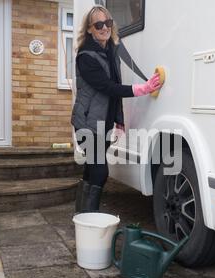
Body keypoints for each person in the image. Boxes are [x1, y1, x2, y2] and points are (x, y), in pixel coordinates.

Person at [71, 5, 162, 213]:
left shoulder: (110, 52)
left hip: (102, 123)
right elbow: (107, 87)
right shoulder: (86, 56)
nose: (104, 28)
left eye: (108, 23)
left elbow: (111, 97)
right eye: (99, 24)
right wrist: (143, 88)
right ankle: (90, 220)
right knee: (100, 172)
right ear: (90, 29)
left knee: (91, 170)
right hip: (86, 123)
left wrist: (118, 119)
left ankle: (81, 216)